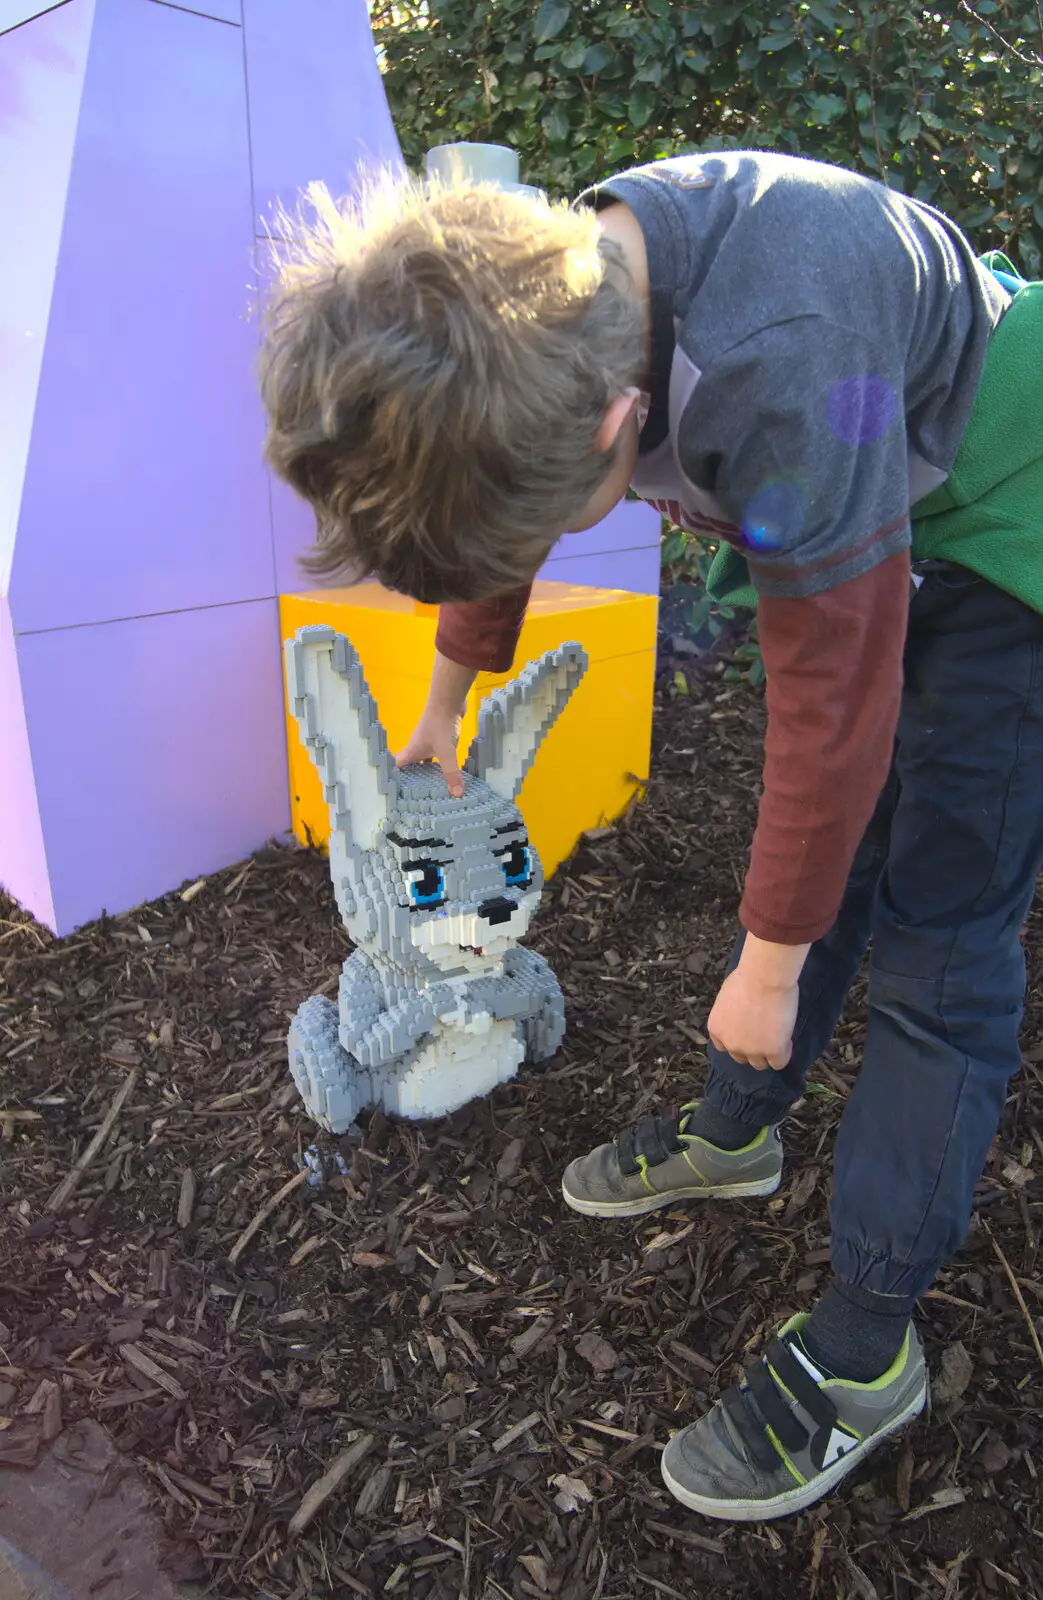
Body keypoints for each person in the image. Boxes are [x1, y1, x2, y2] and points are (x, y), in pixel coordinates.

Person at [259, 151, 1043, 1521]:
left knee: (935, 936)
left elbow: (833, 698)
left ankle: (865, 1350)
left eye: (585, 499)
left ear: (622, 421)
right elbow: (506, 486)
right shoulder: (535, 308)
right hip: (878, 482)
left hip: (1011, 507)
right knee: (829, 867)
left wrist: (767, 957)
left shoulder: (781, 358)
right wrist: (449, 696)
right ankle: (739, 1135)